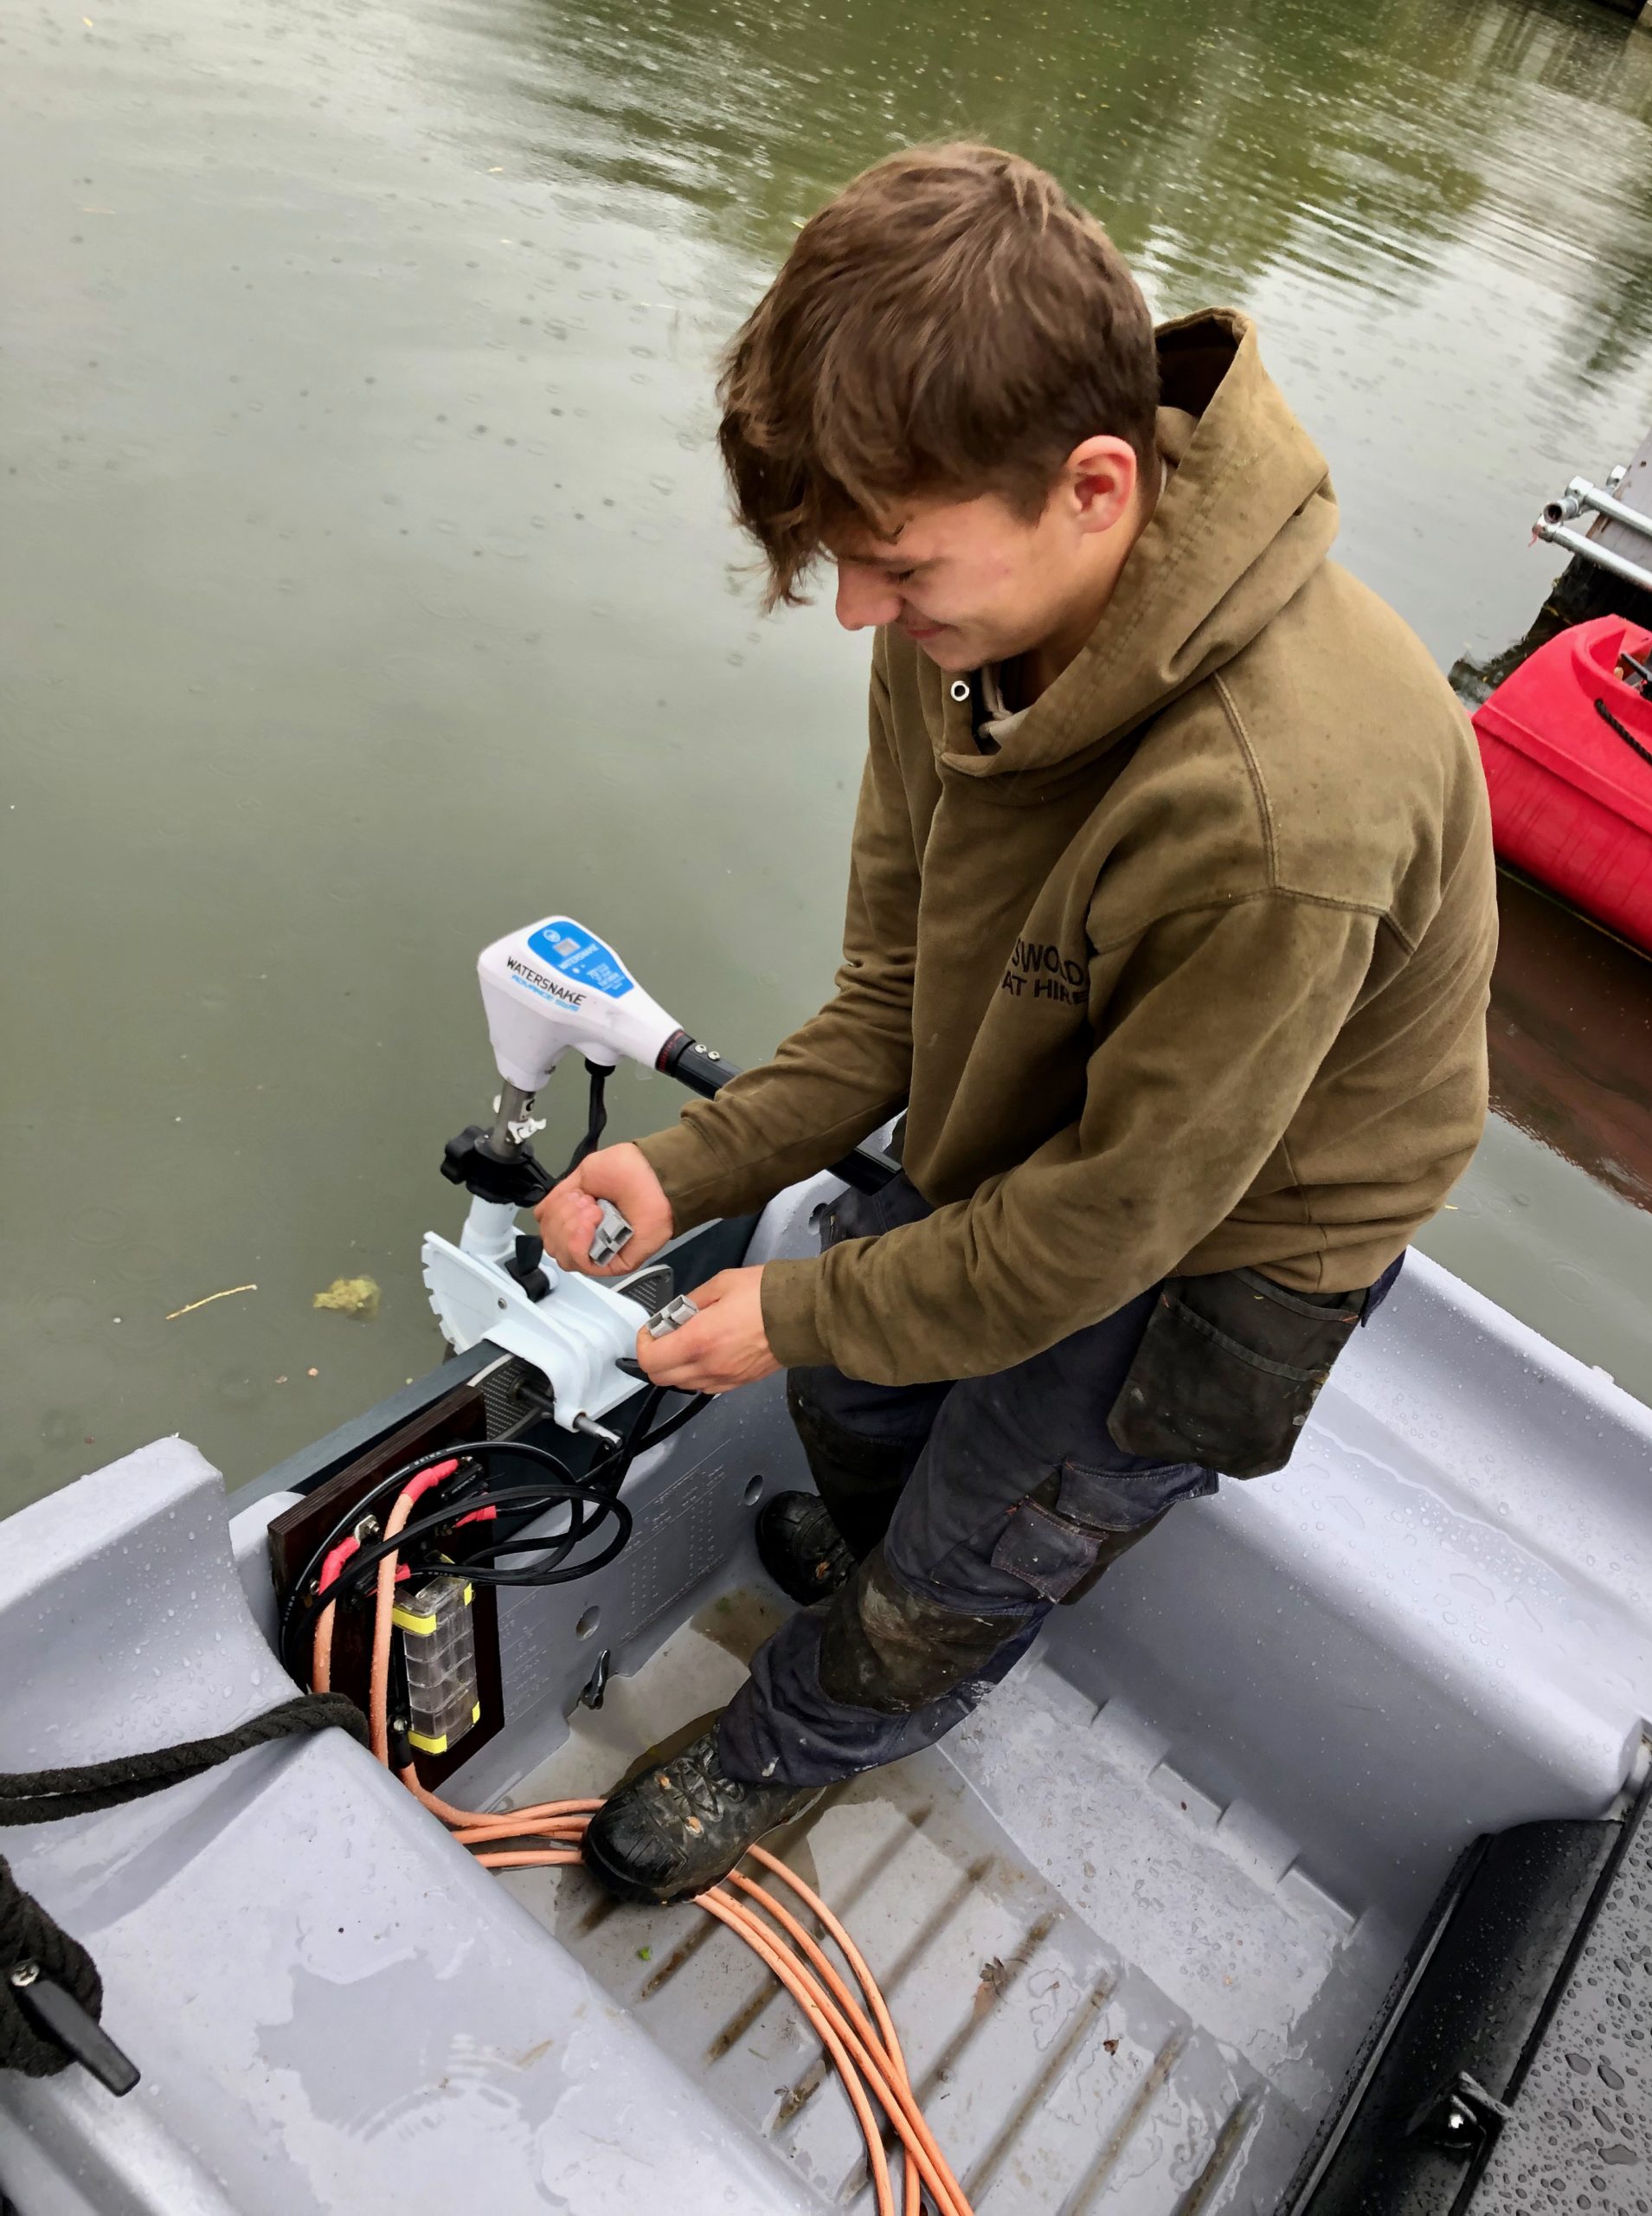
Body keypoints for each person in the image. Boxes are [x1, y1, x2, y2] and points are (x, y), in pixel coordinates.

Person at [535, 142, 1498, 1906]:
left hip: (1249, 1225)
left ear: (1096, 485)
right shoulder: (963, 636)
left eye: (894, 566)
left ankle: (814, 1718)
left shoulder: (1287, 810)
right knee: (853, 1329)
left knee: (987, 1527)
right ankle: (894, 1540)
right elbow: (898, 993)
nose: (857, 617)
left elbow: (1119, 1223)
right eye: (843, 564)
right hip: (1080, 1116)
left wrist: (807, 1308)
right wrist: (690, 1166)